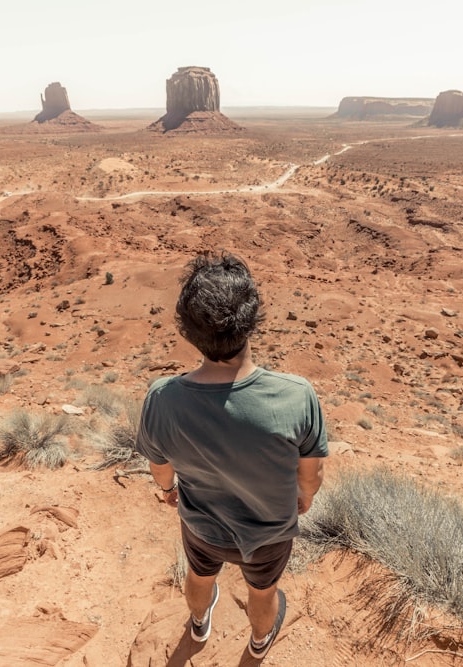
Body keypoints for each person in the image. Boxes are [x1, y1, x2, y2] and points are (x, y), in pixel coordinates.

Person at [135, 251, 328, 660]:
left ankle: (200, 622)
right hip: (269, 533)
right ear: (252, 321)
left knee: (200, 574)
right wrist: (304, 498)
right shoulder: (296, 395)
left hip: (202, 527)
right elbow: (310, 475)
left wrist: (169, 489)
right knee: (263, 589)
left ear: (188, 331)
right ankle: (259, 642)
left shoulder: (162, 399)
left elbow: (159, 467)